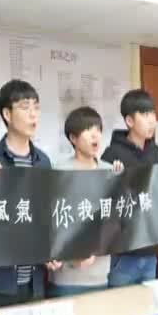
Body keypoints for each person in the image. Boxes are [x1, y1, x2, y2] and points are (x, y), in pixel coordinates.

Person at [0, 79, 52, 309]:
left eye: (36, 107)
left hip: (35, 279)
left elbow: (46, 215)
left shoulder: (43, 162)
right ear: (7, 114)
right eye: (25, 107)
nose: (33, 114)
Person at [101, 89, 158, 286]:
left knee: (148, 303)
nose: (152, 120)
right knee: (122, 304)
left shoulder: (155, 152)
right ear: (129, 121)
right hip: (123, 255)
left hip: (150, 250)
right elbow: (104, 202)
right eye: (144, 114)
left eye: (153, 114)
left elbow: (154, 190)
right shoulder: (112, 155)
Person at [47, 106, 123, 298]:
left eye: (98, 129)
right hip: (67, 279)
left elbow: (116, 222)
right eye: (88, 130)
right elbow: (52, 224)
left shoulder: (109, 171)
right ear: (73, 138)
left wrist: (122, 181)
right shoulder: (59, 171)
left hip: (100, 275)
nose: (95, 135)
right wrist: (72, 256)